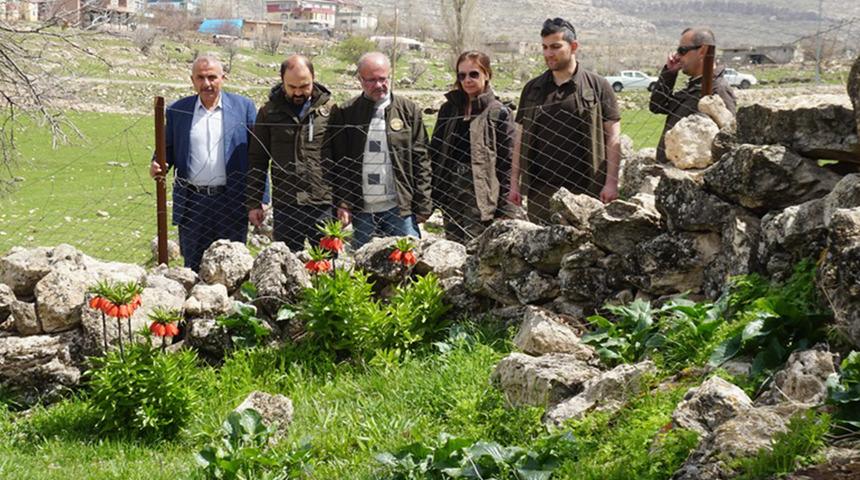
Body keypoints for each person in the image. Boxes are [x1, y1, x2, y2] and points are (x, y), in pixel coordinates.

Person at [509, 17, 622, 224]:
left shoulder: (598, 87)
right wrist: (514, 184)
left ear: (574, 46)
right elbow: (519, 138)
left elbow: (613, 137)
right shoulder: (533, 89)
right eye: (544, 47)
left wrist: (611, 183)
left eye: (555, 46)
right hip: (540, 193)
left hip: (586, 192)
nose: (548, 53)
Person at [149, 55, 257, 272]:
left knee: (234, 268)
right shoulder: (178, 110)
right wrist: (157, 163)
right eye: (200, 78)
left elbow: (257, 157)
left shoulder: (244, 108)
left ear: (223, 78)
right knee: (193, 267)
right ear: (192, 80)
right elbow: (167, 149)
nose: (206, 83)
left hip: (232, 201)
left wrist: (258, 200)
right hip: (192, 203)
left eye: (212, 77)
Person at [327, 52, 432, 248]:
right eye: (371, 80)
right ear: (359, 79)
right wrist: (343, 202)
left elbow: (422, 160)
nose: (378, 85)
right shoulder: (345, 113)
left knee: (410, 262)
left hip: (399, 209)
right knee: (364, 270)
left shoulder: (409, 111)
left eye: (383, 79)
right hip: (362, 210)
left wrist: (423, 203)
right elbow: (339, 163)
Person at [247, 55, 333, 252]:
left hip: (323, 203)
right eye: (291, 87)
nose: (297, 92)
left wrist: (344, 203)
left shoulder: (329, 111)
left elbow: (342, 157)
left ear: (313, 78)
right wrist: (254, 202)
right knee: (286, 265)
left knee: (328, 266)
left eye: (304, 86)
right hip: (286, 204)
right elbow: (257, 160)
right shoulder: (268, 113)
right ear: (282, 81)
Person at [430, 50, 515, 243]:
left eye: (474, 74)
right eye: (462, 75)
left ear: (487, 75)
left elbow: (508, 162)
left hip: (483, 196)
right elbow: (435, 152)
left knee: (476, 249)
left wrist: (506, 207)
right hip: (450, 192)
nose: (467, 80)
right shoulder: (449, 109)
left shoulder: (499, 112)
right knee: (452, 248)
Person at [649, 27, 736, 163]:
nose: (677, 56)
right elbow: (657, 106)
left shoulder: (718, 89)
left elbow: (727, 138)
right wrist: (669, 74)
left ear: (702, 51)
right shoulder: (694, 86)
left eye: (682, 51)